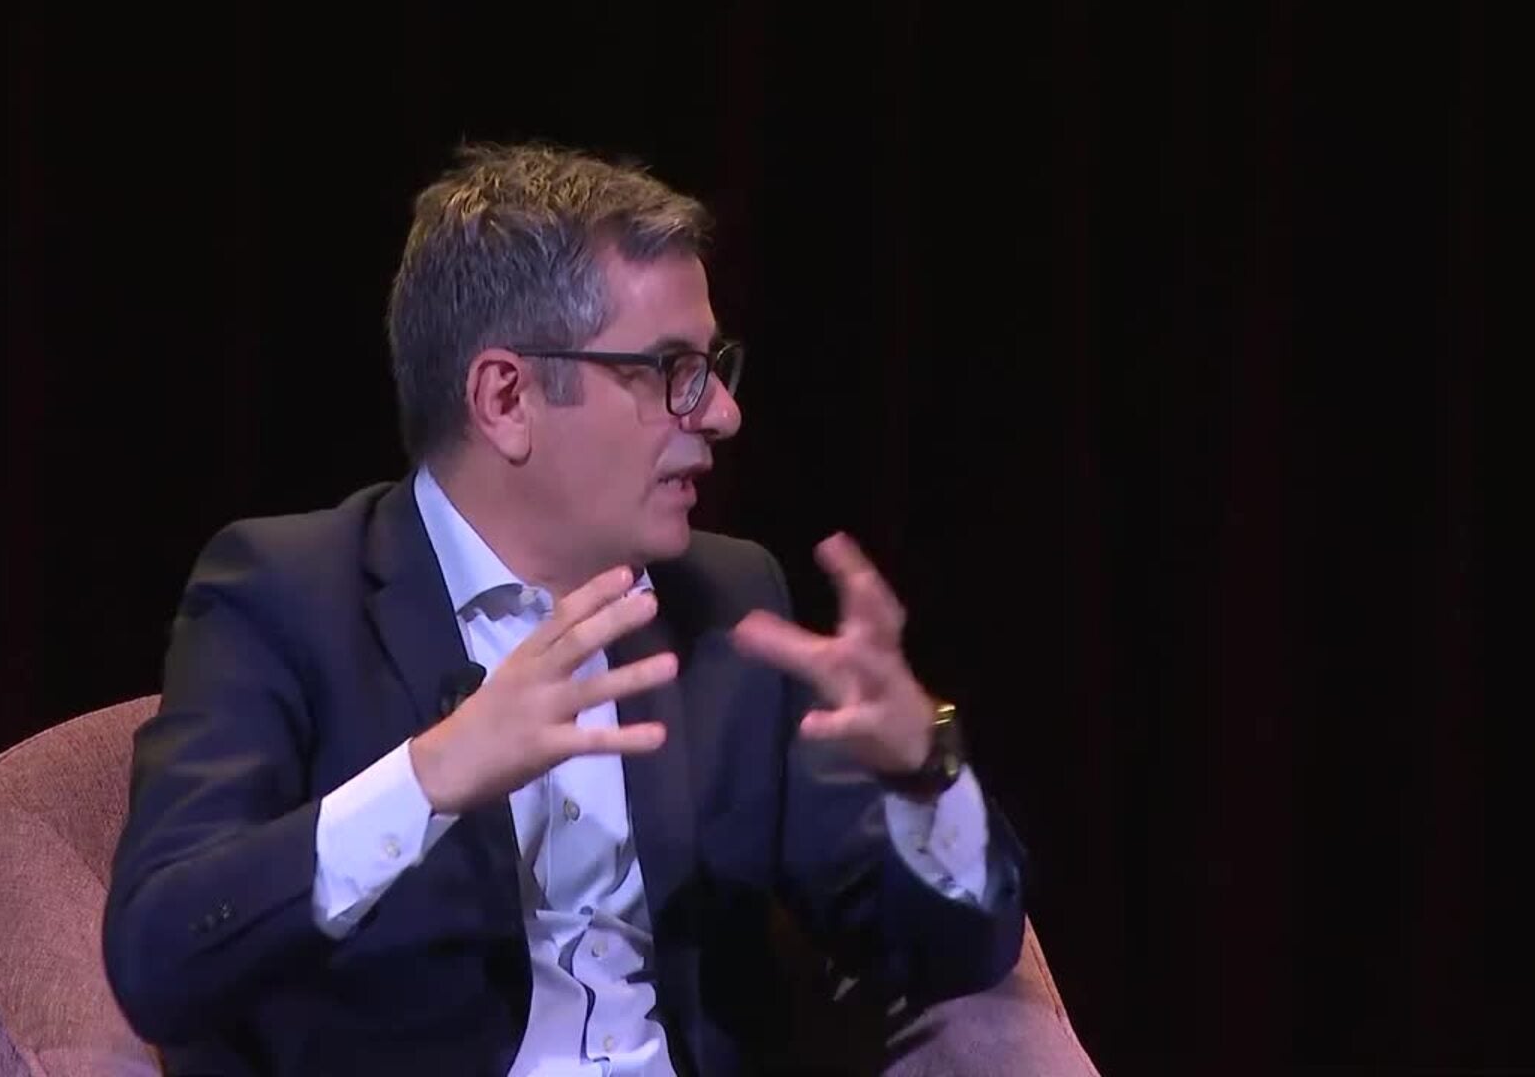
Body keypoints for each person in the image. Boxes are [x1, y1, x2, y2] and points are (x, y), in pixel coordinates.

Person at [101, 141, 1028, 1075]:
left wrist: (927, 772)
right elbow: (162, 955)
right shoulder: (287, 594)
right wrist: (431, 775)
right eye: (671, 368)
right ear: (506, 398)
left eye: (714, 365)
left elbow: (945, 953)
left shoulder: (728, 603)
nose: (721, 414)